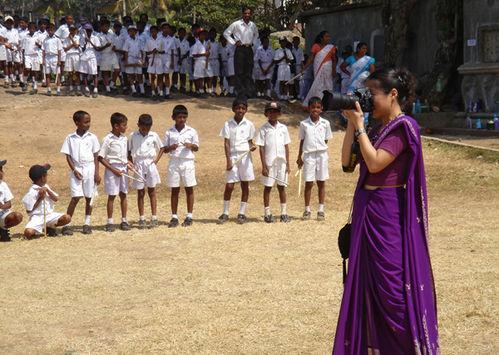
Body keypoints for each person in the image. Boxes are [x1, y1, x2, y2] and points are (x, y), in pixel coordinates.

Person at [333, 67, 439, 354]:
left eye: (372, 94)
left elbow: (377, 163)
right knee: (367, 285)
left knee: (392, 288)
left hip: (389, 216)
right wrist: (353, 126)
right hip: (367, 213)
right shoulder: (377, 129)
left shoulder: (404, 128)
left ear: (393, 95)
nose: (368, 100)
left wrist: (363, 127)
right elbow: (346, 164)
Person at [60, 110, 101, 235]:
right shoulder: (70, 138)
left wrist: (97, 173)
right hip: (76, 169)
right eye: (85, 122)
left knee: (89, 197)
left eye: (89, 121)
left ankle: (87, 223)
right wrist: (74, 170)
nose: (88, 124)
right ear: (77, 123)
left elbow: (96, 156)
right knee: (75, 197)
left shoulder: (92, 137)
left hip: (90, 168)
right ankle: (67, 224)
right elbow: (68, 156)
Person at [217, 99, 257, 225]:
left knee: (245, 185)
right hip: (233, 157)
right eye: (238, 108)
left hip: (245, 157)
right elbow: (227, 143)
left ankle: (241, 213)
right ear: (233, 109)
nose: (240, 110)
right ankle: (225, 212)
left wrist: (253, 146)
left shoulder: (249, 124)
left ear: (246, 110)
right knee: (229, 186)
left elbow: (250, 141)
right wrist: (228, 160)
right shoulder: (228, 124)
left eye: (243, 108)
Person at [161, 105, 199, 228]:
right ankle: (174, 216)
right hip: (174, 162)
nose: (182, 119)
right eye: (179, 117)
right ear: (173, 118)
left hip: (187, 162)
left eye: (184, 117)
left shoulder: (191, 131)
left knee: (189, 188)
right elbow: (164, 149)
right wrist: (171, 147)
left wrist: (190, 145)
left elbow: (197, 147)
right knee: (174, 189)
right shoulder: (169, 132)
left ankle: (189, 216)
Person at [296, 97, 332, 220]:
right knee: (309, 182)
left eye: (318, 107)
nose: (315, 109)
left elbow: (326, 139)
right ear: (309, 108)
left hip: (322, 154)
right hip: (309, 155)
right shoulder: (304, 124)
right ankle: (307, 209)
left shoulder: (325, 123)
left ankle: (321, 209)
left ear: (321, 109)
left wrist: (321, 147)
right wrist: (299, 157)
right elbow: (302, 141)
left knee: (321, 182)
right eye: (313, 107)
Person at [256, 102, 291, 223]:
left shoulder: (283, 128)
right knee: (268, 187)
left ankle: (284, 213)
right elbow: (261, 148)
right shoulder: (263, 129)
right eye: (270, 111)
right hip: (270, 163)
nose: (273, 114)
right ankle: (267, 213)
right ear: (266, 113)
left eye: (275, 111)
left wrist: (288, 164)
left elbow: (286, 146)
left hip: (282, 162)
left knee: (282, 187)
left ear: (279, 113)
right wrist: (264, 166)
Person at [128, 114, 163, 229]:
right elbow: (128, 151)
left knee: (152, 191)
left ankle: (154, 217)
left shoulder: (153, 135)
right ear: (138, 125)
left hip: (150, 164)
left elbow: (161, 148)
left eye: (148, 128)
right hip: (138, 164)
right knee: (140, 192)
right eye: (143, 128)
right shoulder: (132, 136)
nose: (145, 130)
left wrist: (156, 161)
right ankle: (142, 218)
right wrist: (131, 162)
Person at [98, 112, 132, 232]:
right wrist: (114, 170)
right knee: (112, 196)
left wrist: (128, 163)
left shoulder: (124, 138)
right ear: (116, 126)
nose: (126, 127)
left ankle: (124, 220)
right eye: (124, 125)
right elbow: (101, 158)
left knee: (123, 195)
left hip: (123, 170)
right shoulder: (107, 139)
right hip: (112, 171)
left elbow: (125, 156)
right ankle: (110, 222)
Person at [22, 164, 71, 239]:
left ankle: (50, 227)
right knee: (28, 233)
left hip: (49, 215)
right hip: (37, 217)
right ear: (42, 178)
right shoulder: (31, 192)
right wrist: (40, 198)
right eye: (46, 175)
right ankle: (39, 229)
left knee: (67, 218)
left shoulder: (46, 186)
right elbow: (29, 211)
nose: (47, 177)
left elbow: (56, 199)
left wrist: (47, 191)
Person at [223, 5, 259, 99]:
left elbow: (256, 35)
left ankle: (248, 92)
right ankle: (240, 93)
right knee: (239, 72)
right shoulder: (236, 24)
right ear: (242, 14)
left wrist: (253, 43)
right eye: (245, 13)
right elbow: (226, 33)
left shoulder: (253, 25)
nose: (247, 15)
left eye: (249, 13)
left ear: (251, 14)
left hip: (249, 49)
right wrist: (234, 42)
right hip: (240, 49)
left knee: (248, 71)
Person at [302, 31, 337, 106]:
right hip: (318, 68)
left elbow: (334, 59)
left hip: (328, 68)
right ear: (321, 38)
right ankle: (317, 103)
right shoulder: (315, 46)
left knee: (328, 85)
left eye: (329, 36)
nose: (328, 38)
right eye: (326, 36)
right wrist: (304, 68)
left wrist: (334, 70)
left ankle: (328, 104)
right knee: (318, 84)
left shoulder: (331, 47)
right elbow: (311, 58)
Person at [0, 160, 23, 242]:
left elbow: (9, 204)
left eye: (1, 170)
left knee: (18, 216)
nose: (2, 172)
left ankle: (3, 229)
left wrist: (1, 206)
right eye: (0, 170)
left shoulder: (3, 185)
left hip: (2, 215)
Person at [97, 19, 120, 95]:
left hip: (112, 54)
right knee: (105, 72)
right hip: (104, 54)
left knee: (117, 70)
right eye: (105, 26)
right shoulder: (98, 36)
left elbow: (114, 44)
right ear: (101, 27)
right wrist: (105, 46)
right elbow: (98, 48)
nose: (106, 28)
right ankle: (108, 89)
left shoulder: (111, 34)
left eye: (108, 26)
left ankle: (111, 85)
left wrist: (114, 48)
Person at [79, 23, 100, 98]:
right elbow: (82, 48)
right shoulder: (82, 38)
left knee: (94, 74)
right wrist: (85, 42)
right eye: (86, 30)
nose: (88, 32)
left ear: (91, 30)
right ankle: (86, 88)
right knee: (84, 74)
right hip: (84, 57)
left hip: (92, 57)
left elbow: (97, 48)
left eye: (89, 30)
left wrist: (90, 41)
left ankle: (95, 89)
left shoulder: (95, 38)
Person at [123, 25, 145, 97]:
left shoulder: (139, 40)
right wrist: (126, 61)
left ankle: (142, 91)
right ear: (128, 32)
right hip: (130, 58)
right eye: (131, 31)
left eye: (134, 31)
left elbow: (141, 50)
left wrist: (142, 59)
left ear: (136, 32)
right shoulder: (127, 40)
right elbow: (126, 51)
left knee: (139, 75)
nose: (132, 32)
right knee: (130, 75)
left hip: (138, 58)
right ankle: (134, 90)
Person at [42, 23, 63, 96]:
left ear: (54, 30)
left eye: (52, 30)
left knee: (58, 74)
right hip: (47, 57)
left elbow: (59, 50)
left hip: (55, 57)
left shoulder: (57, 39)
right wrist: (43, 60)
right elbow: (43, 50)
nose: (50, 31)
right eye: (49, 30)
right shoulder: (45, 40)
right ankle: (49, 89)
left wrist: (59, 60)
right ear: (47, 31)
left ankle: (58, 89)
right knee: (47, 74)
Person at [21, 22, 42, 94]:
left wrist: (38, 44)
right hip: (27, 55)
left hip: (35, 55)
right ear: (28, 29)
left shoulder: (38, 36)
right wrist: (23, 58)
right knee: (27, 68)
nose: (32, 29)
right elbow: (23, 48)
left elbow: (41, 47)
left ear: (35, 29)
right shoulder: (25, 37)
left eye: (33, 28)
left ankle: (35, 86)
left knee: (34, 71)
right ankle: (24, 82)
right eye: (30, 28)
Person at [144, 25, 164, 100]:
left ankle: (160, 93)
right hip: (151, 60)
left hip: (159, 59)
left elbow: (163, 51)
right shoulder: (148, 41)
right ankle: (153, 93)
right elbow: (146, 53)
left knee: (160, 77)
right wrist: (152, 51)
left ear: (157, 32)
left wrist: (158, 51)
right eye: (151, 32)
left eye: (154, 31)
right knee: (152, 77)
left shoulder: (160, 40)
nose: (153, 33)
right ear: (150, 32)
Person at [62, 25, 81, 96]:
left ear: (76, 30)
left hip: (76, 55)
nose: (72, 31)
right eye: (71, 30)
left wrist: (72, 41)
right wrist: (73, 44)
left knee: (77, 73)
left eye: (74, 30)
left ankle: (78, 88)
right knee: (70, 73)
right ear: (69, 30)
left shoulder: (78, 37)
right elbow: (65, 49)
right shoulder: (66, 39)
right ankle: (71, 88)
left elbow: (76, 46)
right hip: (69, 56)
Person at [274, 37, 294, 101]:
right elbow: (276, 61)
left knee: (286, 81)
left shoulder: (288, 50)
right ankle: (281, 95)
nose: (283, 43)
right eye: (282, 41)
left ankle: (285, 95)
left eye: (284, 41)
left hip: (287, 67)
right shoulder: (277, 51)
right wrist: (283, 57)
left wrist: (286, 58)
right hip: (281, 67)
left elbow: (291, 60)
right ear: (280, 42)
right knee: (281, 81)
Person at [190, 28, 208, 97]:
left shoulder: (205, 43)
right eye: (202, 34)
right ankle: (199, 91)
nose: (203, 36)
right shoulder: (196, 44)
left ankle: (200, 91)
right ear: (199, 35)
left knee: (202, 77)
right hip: (198, 61)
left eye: (204, 34)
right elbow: (194, 54)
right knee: (198, 77)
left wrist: (207, 54)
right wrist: (203, 54)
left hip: (204, 61)